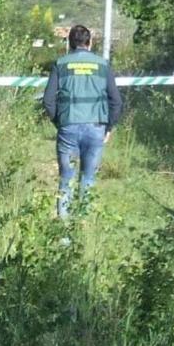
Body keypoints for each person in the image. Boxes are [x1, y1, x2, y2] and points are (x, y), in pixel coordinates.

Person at [42, 25, 123, 219]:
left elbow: (48, 100)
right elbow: (117, 101)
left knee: (66, 180)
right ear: (90, 42)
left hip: (68, 127)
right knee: (88, 179)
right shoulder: (103, 65)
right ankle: (82, 227)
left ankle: (63, 236)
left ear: (69, 43)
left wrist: (59, 122)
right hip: (96, 128)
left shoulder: (61, 64)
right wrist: (108, 127)